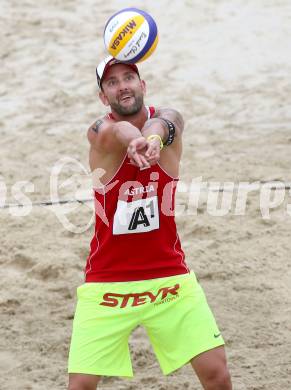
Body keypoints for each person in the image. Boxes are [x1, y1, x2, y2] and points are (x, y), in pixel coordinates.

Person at [67, 56, 232, 390]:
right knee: (80, 385)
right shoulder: (101, 133)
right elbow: (116, 130)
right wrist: (133, 141)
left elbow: (171, 120)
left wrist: (153, 139)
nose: (122, 86)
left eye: (129, 77)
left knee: (217, 374)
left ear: (142, 86)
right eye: (112, 82)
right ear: (103, 97)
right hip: (107, 282)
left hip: (169, 276)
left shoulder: (166, 128)